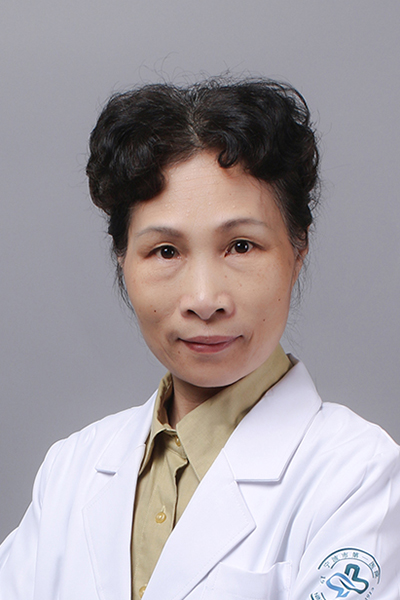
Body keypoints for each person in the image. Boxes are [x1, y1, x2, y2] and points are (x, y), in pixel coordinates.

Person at [0, 78, 399, 600]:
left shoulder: (360, 477)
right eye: (165, 251)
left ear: (297, 251)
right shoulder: (70, 470)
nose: (205, 299)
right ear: (123, 260)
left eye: (241, 246)